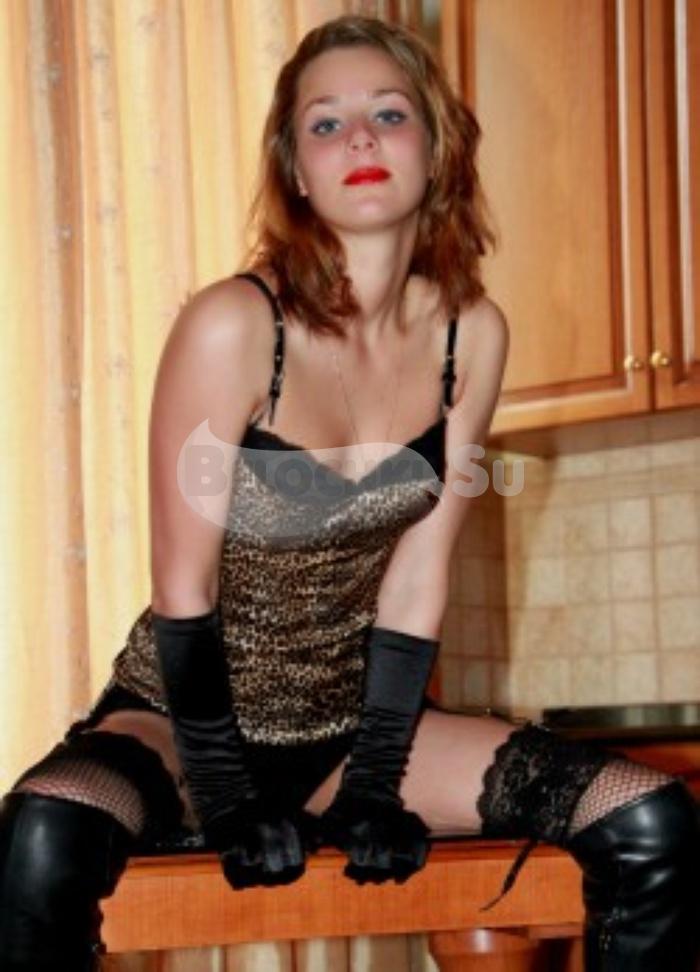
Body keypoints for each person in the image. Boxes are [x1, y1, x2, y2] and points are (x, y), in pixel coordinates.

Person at [0, 13, 698, 971]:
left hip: (343, 736)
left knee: (646, 816)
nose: (360, 138)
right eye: (325, 123)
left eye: (389, 113)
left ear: (437, 148)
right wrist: (226, 793)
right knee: (44, 832)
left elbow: (418, 575)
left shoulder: (470, 335)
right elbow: (182, 590)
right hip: (180, 725)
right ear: (295, 167)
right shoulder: (233, 324)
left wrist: (373, 780)